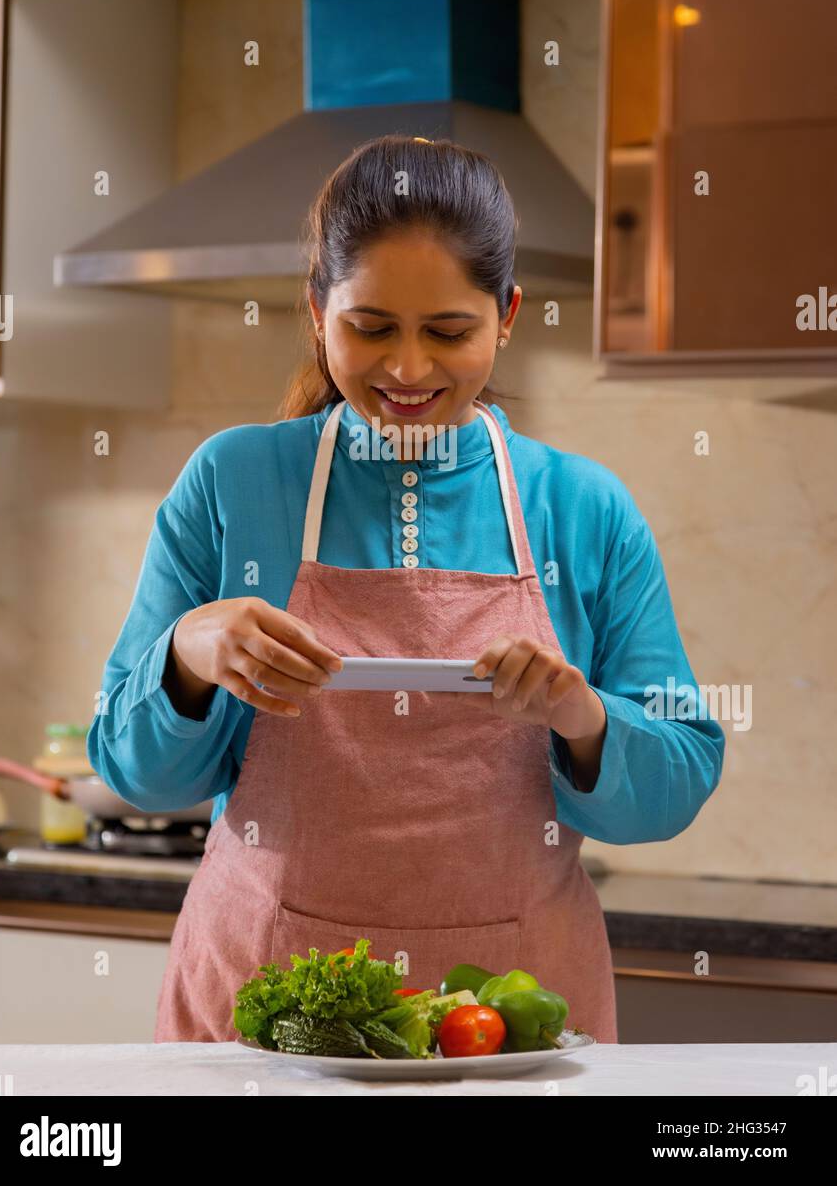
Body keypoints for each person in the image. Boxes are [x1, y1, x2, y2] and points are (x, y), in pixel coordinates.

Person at [88, 135, 725, 1045]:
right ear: (317, 312)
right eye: (372, 327)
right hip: (265, 1010)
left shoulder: (583, 508)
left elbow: (674, 785)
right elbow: (135, 769)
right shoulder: (232, 481)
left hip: (511, 1020)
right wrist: (188, 656)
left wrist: (583, 719)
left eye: (448, 332)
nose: (409, 370)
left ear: (506, 316)